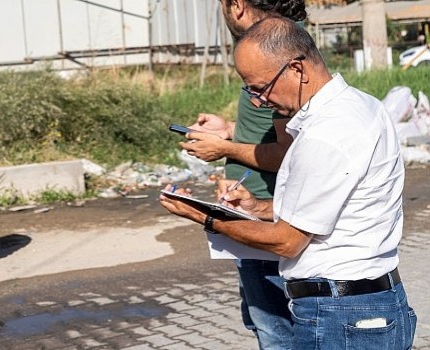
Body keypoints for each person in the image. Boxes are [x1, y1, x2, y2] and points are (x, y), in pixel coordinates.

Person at [161, 17, 417, 349]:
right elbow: (325, 207)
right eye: (249, 90)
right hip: (362, 307)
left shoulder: (326, 134)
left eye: (260, 87)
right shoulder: (361, 105)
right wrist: (256, 208)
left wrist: (207, 218)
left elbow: (287, 242)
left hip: (342, 316)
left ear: (297, 69)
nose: (257, 101)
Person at [178, 1, 306, 348]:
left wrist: (224, 150)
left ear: (235, 5)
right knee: (264, 321)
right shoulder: (276, 49)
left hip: (267, 214)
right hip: (256, 209)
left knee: (277, 330)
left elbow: (288, 152)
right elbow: (275, 131)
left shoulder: (271, 56)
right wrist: (229, 130)